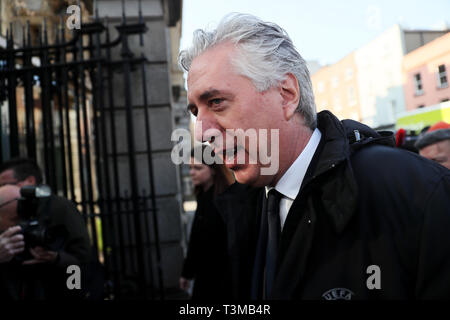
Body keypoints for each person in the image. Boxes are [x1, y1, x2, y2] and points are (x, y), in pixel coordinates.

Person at [179, 13, 450, 299]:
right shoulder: (238, 207)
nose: (201, 133)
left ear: (287, 95)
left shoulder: (418, 193)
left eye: (216, 102)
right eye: (196, 112)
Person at [0, 158, 92, 300]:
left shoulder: (60, 208)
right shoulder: (6, 206)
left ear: (30, 181)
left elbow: (82, 263)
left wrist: (56, 258)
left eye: (5, 184)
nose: (2, 189)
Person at [179, 145, 235, 300]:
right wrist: (187, 272)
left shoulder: (226, 200)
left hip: (223, 281)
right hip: (205, 276)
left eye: (197, 168)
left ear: (213, 169)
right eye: (190, 167)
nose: (191, 173)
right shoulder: (203, 195)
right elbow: (196, 238)